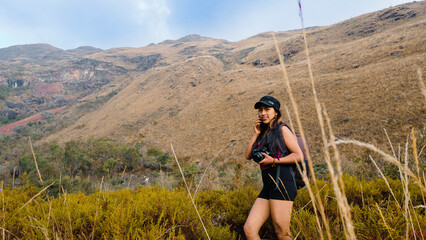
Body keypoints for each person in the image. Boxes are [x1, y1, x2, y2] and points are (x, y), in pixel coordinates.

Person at [244, 95, 303, 240]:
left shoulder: (282, 129)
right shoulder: (262, 133)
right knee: (250, 229)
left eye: (267, 109)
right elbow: (247, 155)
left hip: (283, 183)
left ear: (276, 112)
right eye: (260, 110)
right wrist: (255, 134)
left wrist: (274, 160)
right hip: (269, 185)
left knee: (281, 232)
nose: (263, 113)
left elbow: (298, 155)